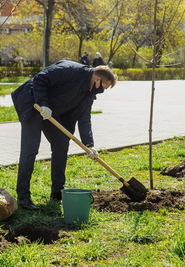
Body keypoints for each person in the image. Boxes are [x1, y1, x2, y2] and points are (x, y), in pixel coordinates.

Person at [11, 60, 118, 210]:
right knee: (30, 149)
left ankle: (57, 193)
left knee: (61, 144)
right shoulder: (69, 70)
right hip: (32, 102)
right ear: (97, 79)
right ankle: (23, 197)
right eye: (103, 88)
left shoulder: (89, 92)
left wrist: (89, 145)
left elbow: (84, 119)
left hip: (51, 111)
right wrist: (43, 104)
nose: (101, 91)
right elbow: (40, 79)